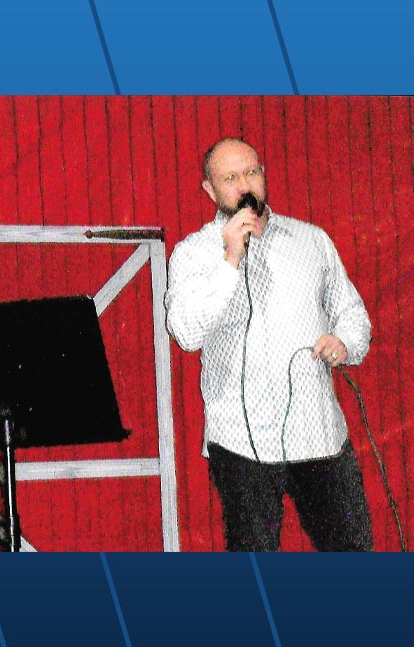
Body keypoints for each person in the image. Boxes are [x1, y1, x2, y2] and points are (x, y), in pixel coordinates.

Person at [165, 137, 373, 551]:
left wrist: (345, 342)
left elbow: (354, 315)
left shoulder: (311, 241)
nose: (244, 183)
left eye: (252, 172)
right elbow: (186, 334)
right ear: (209, 189)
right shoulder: (191, 254)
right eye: (230, 177)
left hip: (318, 435)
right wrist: (229, 258)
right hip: (241, 442)